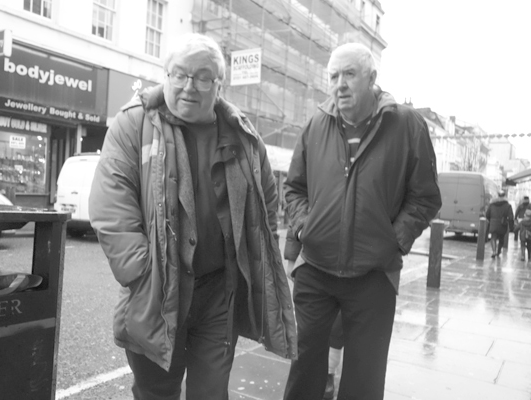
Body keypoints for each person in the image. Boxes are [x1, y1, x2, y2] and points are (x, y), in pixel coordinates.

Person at [88, 33, 297, 400]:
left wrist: (259, 266)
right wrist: (143, 274)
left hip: (219, 291)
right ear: (165, 74)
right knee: (156, 390)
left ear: (219, 84)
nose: (189, 86)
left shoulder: (243, 135)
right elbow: (111, 208)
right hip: (157, 289)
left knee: (212, 391)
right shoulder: (134, 124)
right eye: (179, 74)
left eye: (202, 77)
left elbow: (265, 206)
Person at [282, 42, 442, 400]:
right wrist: (305, 226)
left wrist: (393, 239)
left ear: (372, 78)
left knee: (365, 378)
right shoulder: (316, 124)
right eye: (333, 76)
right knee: (303, 367)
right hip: (316, 269)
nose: (339, 84)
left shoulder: (406, 124)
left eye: (349, 74)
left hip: (374, 273)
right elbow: (294, 188)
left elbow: (426, 197)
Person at [284, 227, 343, 400]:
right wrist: (292, 254)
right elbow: (298, 202)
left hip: (365, 257)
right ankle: (326, 374)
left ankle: (330, 370)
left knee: (341, 324)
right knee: (308, 334)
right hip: (315, 255)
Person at [485, 190, 514, 258]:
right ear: (505, 196)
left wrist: (490, 220)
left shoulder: (492, 205)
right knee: (501, 238)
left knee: (493, 237)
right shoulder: (508, 205)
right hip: (502, 224)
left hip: (493, 223)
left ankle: (494, 251)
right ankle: (498, 251)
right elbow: (511, 217)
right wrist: (511, 227)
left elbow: (487, 215)